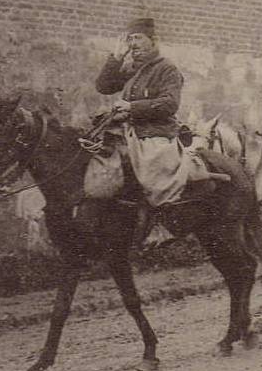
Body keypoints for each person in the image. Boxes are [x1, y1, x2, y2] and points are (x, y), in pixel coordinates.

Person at [87, 17, 221, 243]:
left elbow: (170, 104)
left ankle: (160, 223)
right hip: (128, 130)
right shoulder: (132, 68)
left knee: (152, 171)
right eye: (130, 39)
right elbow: (103, 86)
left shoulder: (166, 68)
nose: (133, 44)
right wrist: (116, 57)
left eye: (138, 38)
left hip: (156, 132)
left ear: (153, 41)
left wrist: (131, 106)